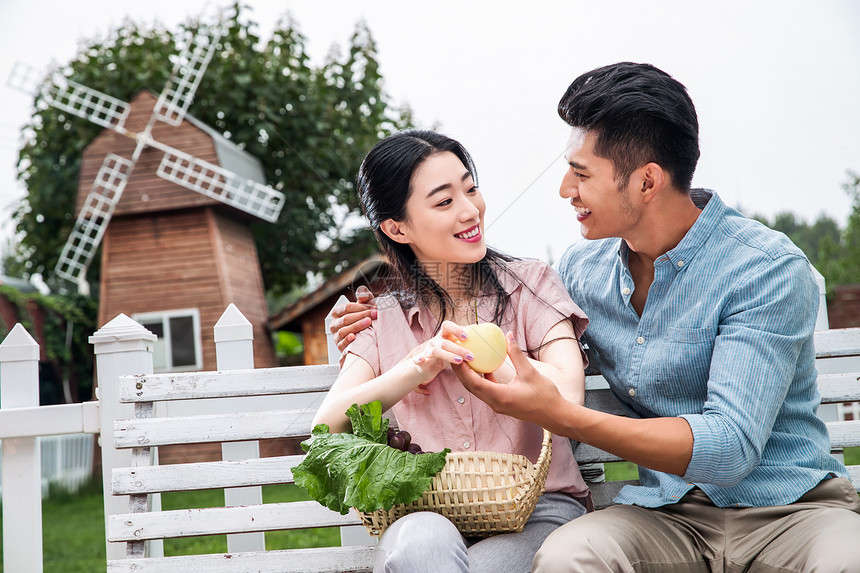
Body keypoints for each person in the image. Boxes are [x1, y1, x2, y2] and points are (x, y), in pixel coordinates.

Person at [332, 63, 860, 572]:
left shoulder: (765, 269)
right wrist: (370, 313)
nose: (565, 189)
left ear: (646, 182)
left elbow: (729, 449)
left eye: (581, 174)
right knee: (570, 556)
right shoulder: (584, 272)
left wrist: (560, 415)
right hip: (672, 516)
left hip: (791, 509)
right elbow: (486, 292)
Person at [314, 130, 592, 573]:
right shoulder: (380, 317)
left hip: (538, 511)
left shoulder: (531, 286)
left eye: (471, 188)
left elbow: (568, 394)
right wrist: (420, 362)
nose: (470, 210)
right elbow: (327, 424)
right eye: (444, 202)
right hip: (426, 511)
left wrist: (484, 352)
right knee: (418, 547)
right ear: (396, 227)